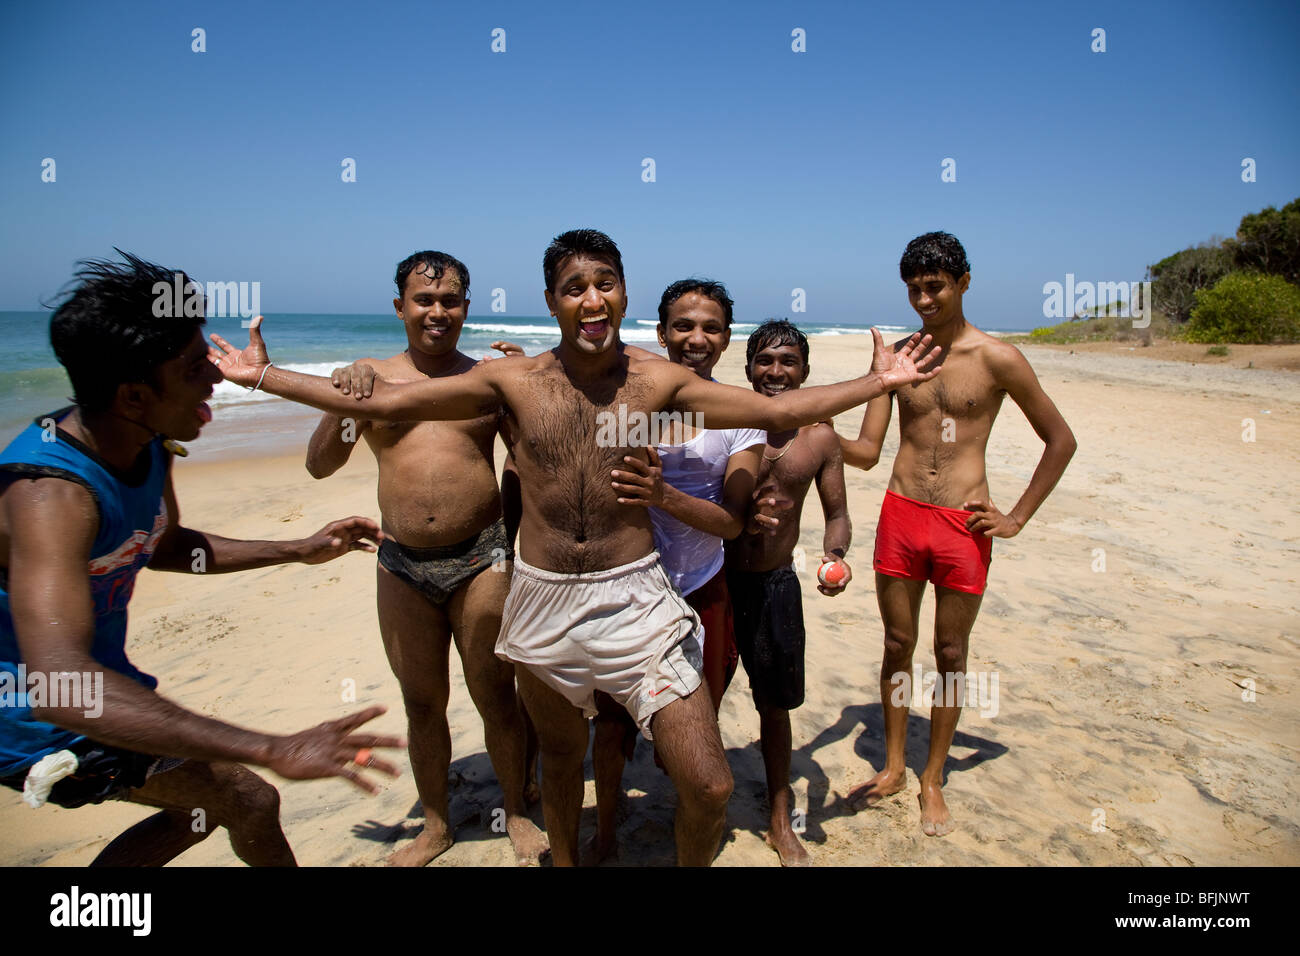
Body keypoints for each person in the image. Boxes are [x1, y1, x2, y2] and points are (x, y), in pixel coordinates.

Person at [209, 228, 943, 866]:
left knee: (710, 783)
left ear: (624, 295)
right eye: (573, 288)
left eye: (605, 284)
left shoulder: (659, 381)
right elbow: (387, 402)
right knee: (560, 760)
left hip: (637, 599)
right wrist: (264, 377)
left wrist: (880, 380)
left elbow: (776, 407)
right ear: (553, 301)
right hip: (540, 598)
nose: (591, 300)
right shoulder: (511, 380)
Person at [0, 252, 402, 866]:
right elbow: (60, 684)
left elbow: (162, 543)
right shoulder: (51, 496)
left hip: (103, 687)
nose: (216, 378)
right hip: (41, 720)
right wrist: (270, 746)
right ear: (135, 394)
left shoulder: (147, 442)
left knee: (202, 813)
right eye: (194, 369)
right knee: (248, 799)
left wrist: (299, 549)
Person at [304, 251, 546, 866]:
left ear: (467, 306)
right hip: (401, 564)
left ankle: (515, 809)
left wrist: (532, 389)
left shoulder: (488, 381)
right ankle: (435, 825)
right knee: (422, 703)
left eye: (450, 300)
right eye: (424, 300)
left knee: (495, 691)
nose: (437, 311)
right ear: (400, 308)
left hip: (483, 556)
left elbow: (538, 458)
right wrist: (343, 401)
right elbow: (320, 464)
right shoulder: (372, 381)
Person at [841, 232, 1076, 835]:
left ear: (964, 282)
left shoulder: (997, 358)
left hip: (962, 524)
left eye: (936, 286)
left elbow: (1061, 439)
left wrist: (1017, 516)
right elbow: (867, 453)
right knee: (897, 644)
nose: (924, 298)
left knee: (949, 653)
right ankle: (893, 764)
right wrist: (802, 421)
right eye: (915, 288)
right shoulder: (899, 358)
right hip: (900, 512)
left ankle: (932, 776)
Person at [585, 277, 770, 863]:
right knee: (611, 723)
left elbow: (734, 522)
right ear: (660, 334)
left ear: (726, 338)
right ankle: (606, 831)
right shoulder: (626, 406)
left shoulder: (740, 416)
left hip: (700, 585)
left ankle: (685, 816)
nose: (697, 337)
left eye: (711, 327)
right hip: (629, 588)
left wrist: (664, 496)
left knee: (698, 717)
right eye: (683, 326)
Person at [723, 319, 853, 866]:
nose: (776, 372)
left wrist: (835, 556)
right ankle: (698, 801)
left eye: (788, 362)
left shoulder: (820, 438)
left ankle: (780, 820)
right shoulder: (726, 424)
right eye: (765, 361)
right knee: (696, 699)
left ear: (805, 370)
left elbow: (839, 514)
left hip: (775, 586)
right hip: (716, 581)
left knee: (774, 705)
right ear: (748, 367)